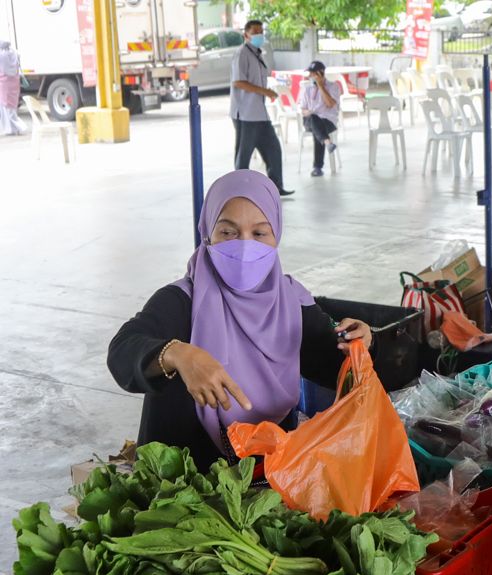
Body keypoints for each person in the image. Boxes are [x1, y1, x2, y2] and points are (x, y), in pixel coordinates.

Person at [108, 170, 371, 469]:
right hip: (180, 484)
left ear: (276, 237)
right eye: (228, 232)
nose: (245, 245)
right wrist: (177, 354)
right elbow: (122, 352)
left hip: (266, 478)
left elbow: (330, 360)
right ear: (208, 234)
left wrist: (359, 342)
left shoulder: (291, 302)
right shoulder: (182, 300)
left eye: (259, 233)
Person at [231, 21, 291, 196]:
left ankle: (276, 187)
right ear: (246, 35)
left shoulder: (258, 54)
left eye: (261, 31)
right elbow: (239, 81)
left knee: (273, 148)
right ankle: (239, 190)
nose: (259, 35)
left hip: (259, 112)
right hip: (245, 113)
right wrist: (264, 91)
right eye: (255, 32)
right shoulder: (242, 54)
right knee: (244, 155)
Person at [299, 60, 341, 177]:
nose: (311, 76)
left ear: (321, 73)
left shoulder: (333, 86)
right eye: (310, 74)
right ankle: (328, 142)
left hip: (328, 121)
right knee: (313, 118)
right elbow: (303, 109)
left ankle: (317, 167)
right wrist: (309, 112)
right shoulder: (307, 89)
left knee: (318, 127)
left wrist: (321, 86)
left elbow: (330, 104)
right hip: (309, 119)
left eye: (313, 74)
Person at [0, 41, 25, 136]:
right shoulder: (14, 54)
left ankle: (14, 128)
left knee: (5, 108)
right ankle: (13, 129)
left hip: (4, 85)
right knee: (12, 108)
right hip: (14, 83)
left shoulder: (2, 56)